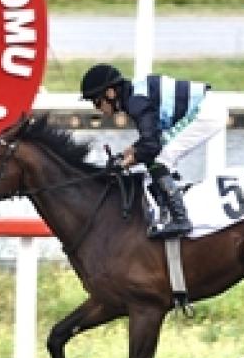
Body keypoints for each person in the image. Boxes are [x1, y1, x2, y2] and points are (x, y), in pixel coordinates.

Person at [80, 63, 228, 239]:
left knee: (160, 160)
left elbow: (151, 146)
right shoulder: (134, 97)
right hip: (206, 108)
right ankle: (168, 206)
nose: (99, 110)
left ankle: (180, 219)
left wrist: (124, 165)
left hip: (205, 113)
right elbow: (150, 140)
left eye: (97, 102)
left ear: (110, 93)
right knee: (157, 158)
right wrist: (128, 153)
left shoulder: (136, 102)